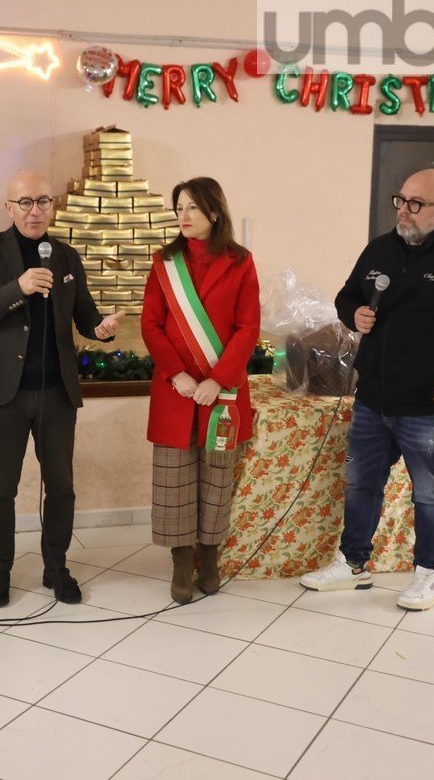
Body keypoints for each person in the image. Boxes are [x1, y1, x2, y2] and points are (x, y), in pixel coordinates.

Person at [300, 168, 434, 611]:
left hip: (428, 404)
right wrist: (355, 314)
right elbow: (347, 296)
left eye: (416, 204)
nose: (404, 210)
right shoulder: (381, 248)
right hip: (372, 397)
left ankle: (429, 573)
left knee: (430, 492)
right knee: (362, 484)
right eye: (400, 200)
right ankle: (353, 564)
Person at [0, 170, 124, 608]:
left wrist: (102, 329)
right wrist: (19, 287)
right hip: (5, 393)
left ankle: (57, 567)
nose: (36, 211)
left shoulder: (66, 257)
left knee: (62, 486)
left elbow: (84, 315)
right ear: (9, 207)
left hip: (56, 391)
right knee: (2, 487)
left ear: (53, 207)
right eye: (26, 202)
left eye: (44, 202)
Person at [141, 177, 261, 604]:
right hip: (176, 390)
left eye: (192, 208)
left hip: (221, 393)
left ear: (214, 211)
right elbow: (150, 326)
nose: (183, 216)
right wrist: (177, 374)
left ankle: (208, 559)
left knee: (216, 479)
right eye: (179, 208)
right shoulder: (164, 262)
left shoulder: (241, 261)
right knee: (174, 481)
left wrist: (218, 379)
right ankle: (179, 563)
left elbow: (248, 327)